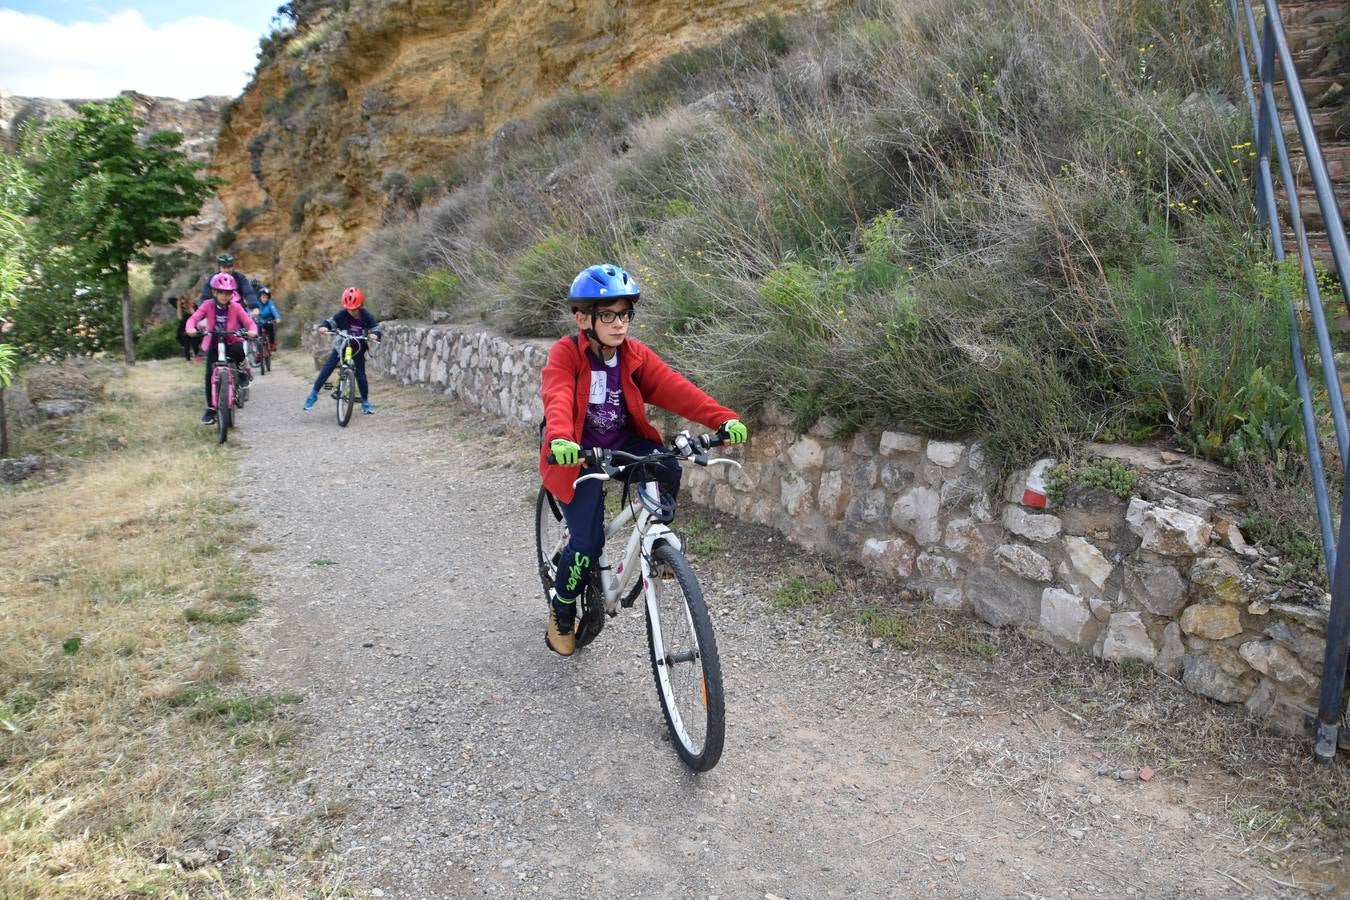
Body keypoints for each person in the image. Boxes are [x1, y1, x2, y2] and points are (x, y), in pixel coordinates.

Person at [539, 263, 748, 656]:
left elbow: (676, 389)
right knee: (586, 542)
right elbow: (558, 398)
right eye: (608, 315)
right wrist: (563, 439)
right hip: (576, 455)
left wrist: (722, 417)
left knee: (667, 463)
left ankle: (659, 546)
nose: (619, 324)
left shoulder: (634, 356)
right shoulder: (566, 354)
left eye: (625, 314)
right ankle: (562, 607)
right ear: (583, 318)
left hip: (622, 441)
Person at [186, 273, 258, 425]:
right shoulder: (207, 305)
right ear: (214, 292)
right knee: (209, 375)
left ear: (232, 294)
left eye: (228, 293)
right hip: (214, 342)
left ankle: (242, 371)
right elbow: (194, 318)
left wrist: (252, 331)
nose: (225, 296)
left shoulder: (236, 307)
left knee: (239, 350)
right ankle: (212, 408)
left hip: (231, 341)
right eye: (221, 292)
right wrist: (190, 328)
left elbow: (249, 322)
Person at [304, 286, 382, 414]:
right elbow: (330, 322)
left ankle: (365, 402)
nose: (351, 311)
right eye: (349, 309)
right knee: (328, 368)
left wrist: (375, 335)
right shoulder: (342, 315)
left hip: (358, 349)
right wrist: (324, 327)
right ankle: (313, 394)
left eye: (354, 309)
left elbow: (376, 328)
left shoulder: (366, 315)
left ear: (360, 305)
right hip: (342, 347)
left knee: (361, 375)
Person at [252, 285, 281, 350]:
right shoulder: (257, 303)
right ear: (260, 297)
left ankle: (272, 343)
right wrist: (252, 316)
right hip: (260, 321)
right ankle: (258, 350)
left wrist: (277, 318)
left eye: (266, 297)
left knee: (271, 329)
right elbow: (253, 311)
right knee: (258, 334)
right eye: (263, 297)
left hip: (268, 321)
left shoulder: (270, 304)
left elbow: (274, 310)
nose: (264, 299)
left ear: (268, 298)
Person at [172, 296, 197, 363]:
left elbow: (195, 316)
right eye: (182, 303)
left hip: (192, 328)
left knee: (195, 343)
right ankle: (188, 360)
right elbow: (180, 317)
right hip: (183, 329)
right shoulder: (181, 310)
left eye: (184, 302)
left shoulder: (193, 307)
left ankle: (196, 357)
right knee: (187, 344)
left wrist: (189, 305)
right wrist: (179, 305)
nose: (184, 304)